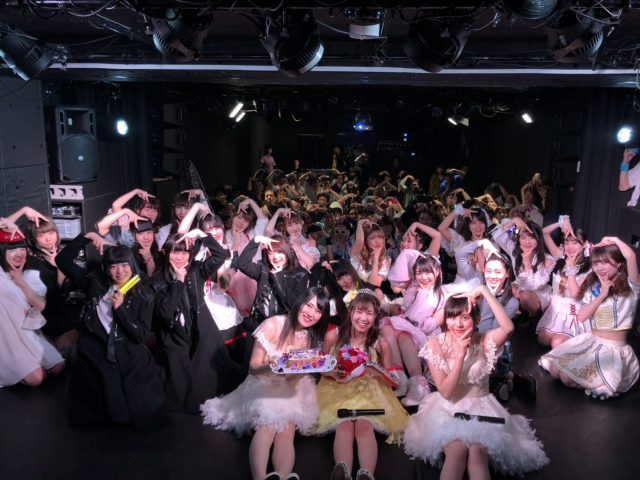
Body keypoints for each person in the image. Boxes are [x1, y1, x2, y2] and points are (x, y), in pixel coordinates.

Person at [404, 287, 549, 478]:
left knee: (477, 454)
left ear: (477, 319)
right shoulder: (435, 344)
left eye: (465, 317)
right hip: (449, 408)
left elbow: (508, 328)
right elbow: (446, 392)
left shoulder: (484, 340)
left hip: (483, 409)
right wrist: (460, 356)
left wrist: (483, 290)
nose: (458, 324)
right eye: (452, 317)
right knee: (456, 452)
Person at [201, 288, 331, 480]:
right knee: (268, 426)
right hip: (263, 382)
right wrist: (273, 365)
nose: (311, 313)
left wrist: (300, 370)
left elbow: (291, 381)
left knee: (287, 429)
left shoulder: (309, 339)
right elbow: (253, 368)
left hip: (290, 387)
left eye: (318, 311)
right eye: (309, 305)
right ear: (300, 302)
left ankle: (283, 476)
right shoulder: (273, 325)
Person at [57, 236, 167, 429]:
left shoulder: (144, 292)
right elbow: (62, 260)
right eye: (113, 266)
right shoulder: (95, 283)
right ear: (106, 269)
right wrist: (87, 237)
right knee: (98, 375)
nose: (119, 271)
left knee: (136, 398)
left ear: (132, 265)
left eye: (124, 265)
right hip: (97, 343)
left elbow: (140, 335)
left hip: (128, 345)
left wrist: (120, 308)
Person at [316, 289, 409, 480]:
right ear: (350, 312)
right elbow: (320, 365)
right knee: (343, 425)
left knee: (364, 426)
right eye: (359, 311)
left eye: (369, 313)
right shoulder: (334, 335)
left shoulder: (380, 343)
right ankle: (342, 471)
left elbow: (393, 380)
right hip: (337, 390)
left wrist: (377, 371)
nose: (363, 318)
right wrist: (331, 372)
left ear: (375, 317)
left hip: (368, 393)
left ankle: (367, 474)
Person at [539, 236, 640, 399]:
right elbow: (581, 316)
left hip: (612, 351)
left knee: (566, 378)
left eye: (604, 262)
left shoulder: (631, 287)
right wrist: (602, 294)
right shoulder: (593, 286)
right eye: (595, 263)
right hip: (591, 342)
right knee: (554, 370)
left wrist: (613, 239)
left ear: (619, 263)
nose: (599, 268)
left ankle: (602, 384)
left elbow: (631, 256)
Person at [152, 231, 242, 412]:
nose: (179, 257)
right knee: (180, 389)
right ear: (167, 253)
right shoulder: (159, 279)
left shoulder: (196, 270)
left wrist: (202, 234)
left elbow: (220, 254)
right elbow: (165, 313)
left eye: (184, 252)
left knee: (211, 379)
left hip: (203, 327)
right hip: (175, 335)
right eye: (175, 252)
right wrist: (178, 282)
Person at [0, 225, 65, 388]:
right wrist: (14, 218)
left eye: (21, 248)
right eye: (11, 249)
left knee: (58, 367)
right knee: (37, 378)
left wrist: (18, 280)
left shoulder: (30, 271)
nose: (19, 254)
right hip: (6, 336)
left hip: (28, 331)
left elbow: (42, 306)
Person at [382, 252, 445, 405]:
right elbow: (402, 266)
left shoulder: (440, 295)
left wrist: (416, 317)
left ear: (437, 272)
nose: (424, 277)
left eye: (428, 272)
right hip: (407, 326)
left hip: (426, 336)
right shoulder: (413, 288)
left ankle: (419, 385)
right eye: (419, 273)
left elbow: (430, 325)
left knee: (404, 336)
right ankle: (400, 377)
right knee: (387, 328)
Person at [537, 216, 591, 348]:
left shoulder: (588, 268)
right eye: (567, 242)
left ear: (584, 245)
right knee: (543, 340)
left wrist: (571, 269)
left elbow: (575, 295)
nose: (570, 247)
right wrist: (561, 223)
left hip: (572, 311)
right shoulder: (560, 256)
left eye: (575, 243)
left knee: (556, 343)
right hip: (555, 309)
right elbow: (544, 232)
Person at [239, 234, 310, 331]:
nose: (275, 256)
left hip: (280, 329)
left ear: (288, 252)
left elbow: (295, 305)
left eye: (279, 252)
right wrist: (256, 240)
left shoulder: (300, 274)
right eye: (271, 253)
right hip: (256, 325)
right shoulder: (264, 270)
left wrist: (278, 276)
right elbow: (243, 264)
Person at [491, 216, 554, 316]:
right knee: (505, 288)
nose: (527, 242)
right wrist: (515, 220)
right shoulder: (515, 251)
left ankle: (532, 318)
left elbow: (535, 286)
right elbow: (498, 236)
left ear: (538, 239)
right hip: (520, 288)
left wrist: (527, 262)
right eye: (523, 237)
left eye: (531, 238)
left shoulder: (547, 259)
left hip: (538, 294)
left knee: (523, 295)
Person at [350, 219, 391, 288]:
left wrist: (375, 261)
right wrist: (359, 224)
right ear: (366, 241)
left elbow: (374, 284)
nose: (377, 241)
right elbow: (359, 241)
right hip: (353, 292)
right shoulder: (357, 255)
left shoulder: (386, 260)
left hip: (371, 293)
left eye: (380, 237)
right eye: (372, 238)